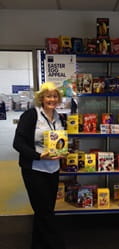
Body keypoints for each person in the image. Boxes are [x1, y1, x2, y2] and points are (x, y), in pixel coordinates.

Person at [13, 82, 66, 249]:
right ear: (41, 98)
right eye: (48, 96)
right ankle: (55, 244)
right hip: (35, 169)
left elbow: (60, 141)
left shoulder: (60, 117)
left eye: (55, 96)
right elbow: (18, 143)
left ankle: (37, 244)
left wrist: (63, 153)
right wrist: (38, 155)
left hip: (53, 169)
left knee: (45, 209)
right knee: (45, 211)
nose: (52, 99)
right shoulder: (31, 115)